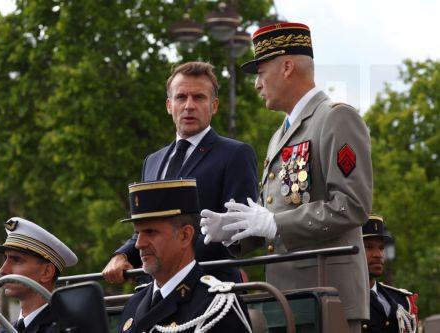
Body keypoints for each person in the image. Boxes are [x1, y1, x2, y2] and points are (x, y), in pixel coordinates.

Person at [200, 22, 373, 333]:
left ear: (287, 67)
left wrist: (276, 224)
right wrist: (238, 230)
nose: (257, 84)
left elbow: (352, 205)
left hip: (327, 297)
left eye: (261, 72)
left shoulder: (336, 118)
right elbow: (277, 214)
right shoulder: (280, 135)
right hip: (285, 299)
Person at [103, 61, 258, 283]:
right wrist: (122, 255)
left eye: (199, 97)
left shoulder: (235, 154)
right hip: (155, 290)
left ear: (214, 106)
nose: (189, 105)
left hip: (207, 288)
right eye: (181, 97)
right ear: (169, 105)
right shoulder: (153, 161)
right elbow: (147, 227)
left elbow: (241, 229)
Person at [118, 179, 251, 333]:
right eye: (137, 233)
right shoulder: (133, 305)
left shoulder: (216, 308)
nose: (139, 244)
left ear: (184, 236)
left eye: (150, 232)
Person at [0, 217, 78, 333]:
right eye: (5, 258)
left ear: (47, 272)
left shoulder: (67, 328)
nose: (2, 270)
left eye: (16, 260)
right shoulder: (3, 331)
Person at [361, 214, 418, 333]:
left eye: (381, 248)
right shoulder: (343, 299)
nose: (378, 254)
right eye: (368, 247)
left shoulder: (401, 300)